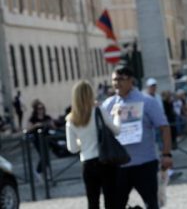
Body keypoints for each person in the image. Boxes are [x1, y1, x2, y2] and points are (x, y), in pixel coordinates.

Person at [102, 66, 172, 209]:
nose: (117, 83)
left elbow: (164, 127)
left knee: (152, 204)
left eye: (121, 79)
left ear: (131, 81)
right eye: (114, 79)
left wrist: (166, 154)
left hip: (145, 163)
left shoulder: (147, 101)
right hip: (118, 166)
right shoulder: (108, 104)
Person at [65, 81, 120, 209]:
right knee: (111, 200)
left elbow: (72, 149)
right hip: (105, 160)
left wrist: (82, 142)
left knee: (93, 202)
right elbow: (116, 130)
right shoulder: (98, 111)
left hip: (87, 163)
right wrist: (117, 116)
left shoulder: (71, 120)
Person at [27, 99, 55, 180]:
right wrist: (35, 125)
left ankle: (46, 173)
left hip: (47, 139)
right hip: (37, 140)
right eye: (39, 108)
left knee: (46, 156)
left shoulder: (47, 117)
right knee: (43, 156)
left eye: (42, 108)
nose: (41, 110)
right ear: (36, 109)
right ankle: (39, 171)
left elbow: (54, 126)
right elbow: (28, 129)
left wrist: (50, 124)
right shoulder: (33, 118)